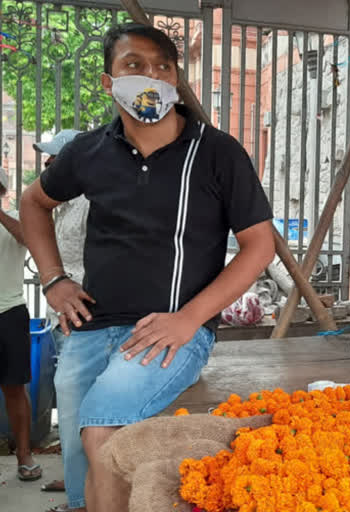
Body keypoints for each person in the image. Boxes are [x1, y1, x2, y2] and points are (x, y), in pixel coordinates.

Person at [20, 23, 275, 512]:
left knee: (103, 426)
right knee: (76, 438)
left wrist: (189, 320)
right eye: (134, 65)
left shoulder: (217, 153)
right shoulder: (89, 151)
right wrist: (54, 280)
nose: (151, 76)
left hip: (173, 330)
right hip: (92, 325)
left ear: (177, 80)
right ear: (108, 81)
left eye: (163, 67)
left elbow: (258, 246)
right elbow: (35, 203)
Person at [31, 130, 85, 504]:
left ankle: (82, 493)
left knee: (77, 406)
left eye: (54, 159)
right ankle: (75, 482)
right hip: (63, 319)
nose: (47, 164)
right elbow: (33, 234)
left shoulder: (89, 205)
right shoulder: (61, 205)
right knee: (70, 406)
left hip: (81, 317)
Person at [0, 168, 41, 482]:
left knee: (15, 387)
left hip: (10, 313)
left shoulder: (13, 218)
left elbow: (29, 239)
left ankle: (24, 456)